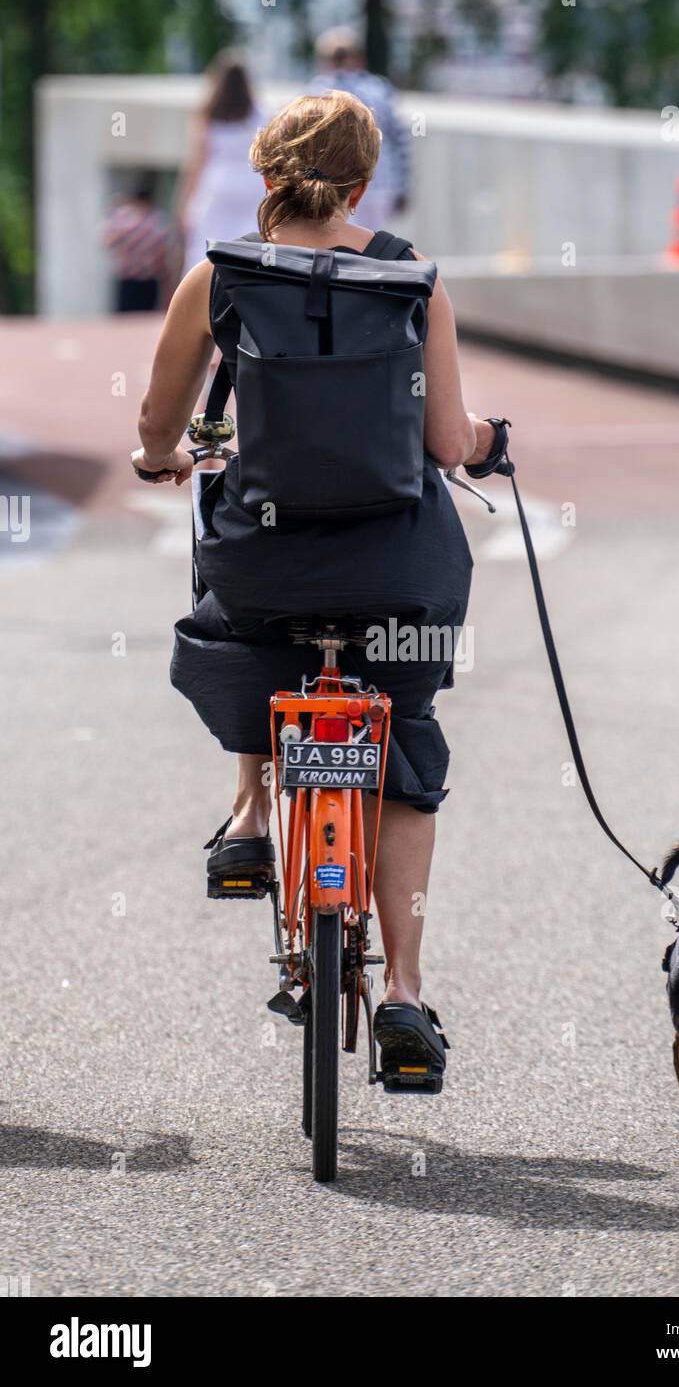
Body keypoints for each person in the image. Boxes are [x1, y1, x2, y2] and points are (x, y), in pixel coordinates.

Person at [131, 90, 502, 1075]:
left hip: (270, 557)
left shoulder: (220, 275)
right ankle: (406, 995)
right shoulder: (412, 282)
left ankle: (251, 816)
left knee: (241, 625)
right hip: (399, 569)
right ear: (365, 182)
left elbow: (161, 419)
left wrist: (160, 453)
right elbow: (445, 441)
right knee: (407, 733)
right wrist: (488, 441)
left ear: (263, 178)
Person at [307, 26, 411, 230]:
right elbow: (400, 140)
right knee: (374, 245)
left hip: (330, 186)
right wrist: (403, 187)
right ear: (358, 58)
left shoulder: (314, 92)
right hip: (378, 180)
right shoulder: (379, 89)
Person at [175, 48, 266, 276]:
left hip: (219, 183)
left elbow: (196, 163)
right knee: (250, 245)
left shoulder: (206, 114)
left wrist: (183, 203)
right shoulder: (261, 113)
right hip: (253, 182)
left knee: (208, 245)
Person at [102, 174, 171, 313]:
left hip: (127, 276)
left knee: (126, 319)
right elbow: (164, 251)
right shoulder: (156, 220)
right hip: (149, 278)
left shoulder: (122, 217)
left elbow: (107, 239)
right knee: (144, 317)